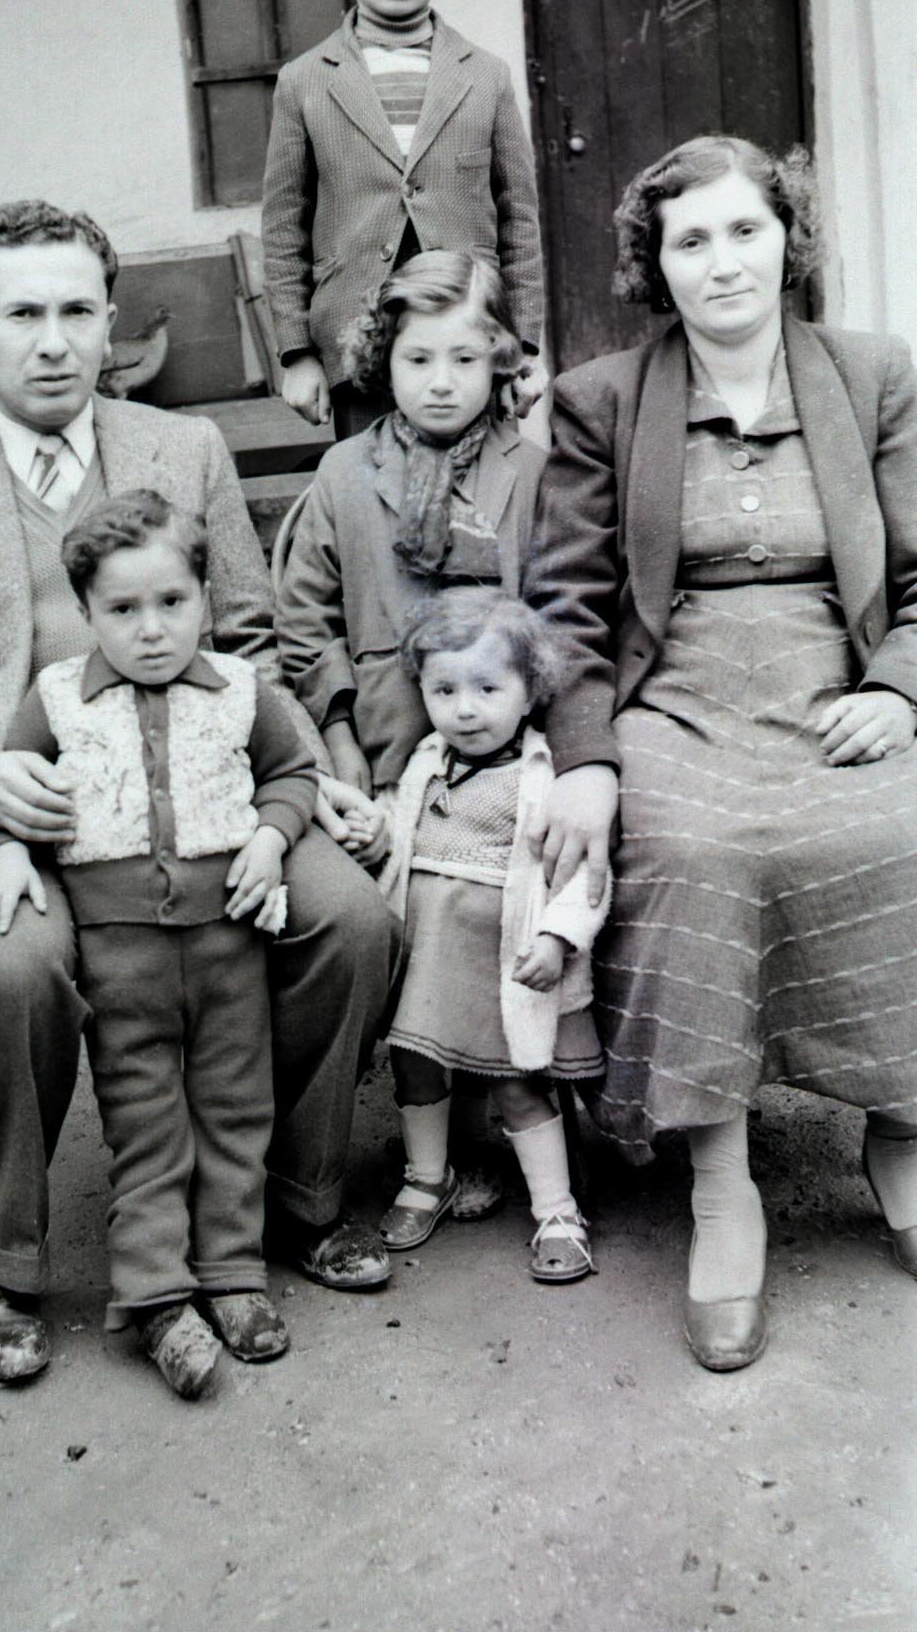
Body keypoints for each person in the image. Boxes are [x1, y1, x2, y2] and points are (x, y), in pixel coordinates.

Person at [0, 200, 398, 1385]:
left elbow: (250, 640)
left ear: (109, 322)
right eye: (21, 313)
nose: (52, 341)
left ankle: (293, 1194)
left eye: (77, 311)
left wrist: (311, 775)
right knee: (13, 966)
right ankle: (4, 1258)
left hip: (206, 791)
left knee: (348, 917)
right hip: (18, 820)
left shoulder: (181, 450)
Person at [526, 135, 917, 1371]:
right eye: (689, 240)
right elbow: (565, 608)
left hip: (835, 681)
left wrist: (901, 688)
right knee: (693, 851)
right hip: (676, 694)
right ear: (655, 264)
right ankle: (719, 1178)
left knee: (899, 828)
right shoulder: (601, 398)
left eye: (745, 229)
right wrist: (586, 758)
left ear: (787, 239)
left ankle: (902, 1125)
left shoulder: (875, 375)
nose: (723, 260)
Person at [0, 491, 316, 1398]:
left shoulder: (240, 691)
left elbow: (291, 774)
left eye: (172, 602)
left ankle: (234, 1277)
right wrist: (8, 854)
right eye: (122, 609)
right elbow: (7, 793)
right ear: (85, 612)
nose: (152, 629)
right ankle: (157, 1296)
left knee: (235, 1110)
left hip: (229, 951)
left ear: (206, 598)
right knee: (146, 1122)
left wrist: (271, 837)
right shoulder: (57, 701)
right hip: (122, 968)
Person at [276, 248, 547, 1214]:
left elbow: (562, 613)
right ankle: (428, 1128)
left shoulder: (534, 472)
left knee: (494, 922)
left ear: (501, 359)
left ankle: (518, 1112)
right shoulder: (345, 473)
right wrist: (342, 743)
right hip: (384, 756)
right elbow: (303, 620)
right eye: (418, 359)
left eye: (466, 359)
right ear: (381, 360)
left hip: (503, 764)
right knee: (402, 925)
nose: (441, 382)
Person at [261, 0, 545, 439]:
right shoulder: (304, 81)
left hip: (471, 345)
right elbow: (284, 230)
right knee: (369, 485)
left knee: (486, 485)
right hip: (355, 348)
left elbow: (519, 221)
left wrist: (523, 345)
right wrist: (298, 353)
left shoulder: (485, 77)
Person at [377, 592, 607, 1277]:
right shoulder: (425, 761)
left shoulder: (543, 776)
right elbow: (400, 838)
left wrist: (558, 939)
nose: (465, 710)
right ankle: (428, 1177)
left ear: (530, 691)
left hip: (502, 963)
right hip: (427, 955)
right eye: (444, 690)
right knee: (415, 1065)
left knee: (515, 1085)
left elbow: (581, 876)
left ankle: (557, 1211)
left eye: (487, 688)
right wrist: (372, 832)